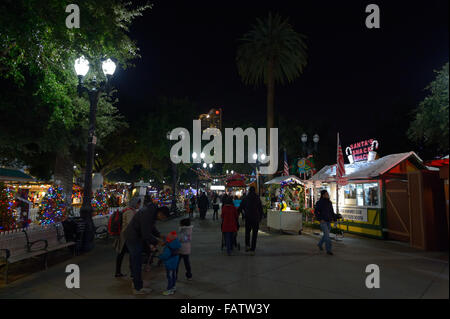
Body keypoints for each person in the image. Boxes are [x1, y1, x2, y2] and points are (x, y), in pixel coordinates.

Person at [124, 197, 162, 294]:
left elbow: (151, 228)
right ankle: (138, 288)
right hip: (133, 238)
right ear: (160, 213)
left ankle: (136, 282)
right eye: (163, 217)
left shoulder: (149, 213)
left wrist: (159, 235)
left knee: (135, 261)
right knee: (137, 262)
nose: (162, 219)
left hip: (132, 237)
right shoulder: (147, 214)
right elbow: (146, 234)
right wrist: (157, 241)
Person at [113, 197, 141, 278]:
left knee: (121, 254)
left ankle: (118, 272)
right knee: (132, 254)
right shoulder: (130, 212)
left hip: (124, 235)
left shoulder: (127, 209)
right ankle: (132, 272)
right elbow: (130, 224)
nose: (139, 205)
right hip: (126, 236)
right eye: (138, 203)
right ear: (135, 203)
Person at [239, 186, 263, 254]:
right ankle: (253, 249)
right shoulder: (257, 198)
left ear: (249, 190)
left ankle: (247, 246)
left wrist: (243, 213)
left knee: (247, 232)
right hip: (256, 218)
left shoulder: (246, 198)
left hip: (248, 217)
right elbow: (260, 208)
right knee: (255, 234)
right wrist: (260, 217)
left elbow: (241, 207)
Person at [159, 231, 182, 296]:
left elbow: (165, 256)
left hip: (169, 265)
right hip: (174, 264)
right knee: (173, 276)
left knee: (169, 277)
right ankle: (173, 287)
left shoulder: (169, 248)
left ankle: (169, 289)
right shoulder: (176, 244)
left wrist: (159, 256)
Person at [314, 190, 337, 255]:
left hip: (328, 221)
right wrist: (320, 219)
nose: (328, 195)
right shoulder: (319, 202)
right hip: (323, 221)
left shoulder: (329, 202)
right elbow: (316, 212)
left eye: (328, 194)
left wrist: (334, 219)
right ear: (323, 195)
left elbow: (332, 211)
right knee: (327, 236)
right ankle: (328, 250)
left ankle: (320, 244)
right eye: (326, 194)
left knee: (326, 235)